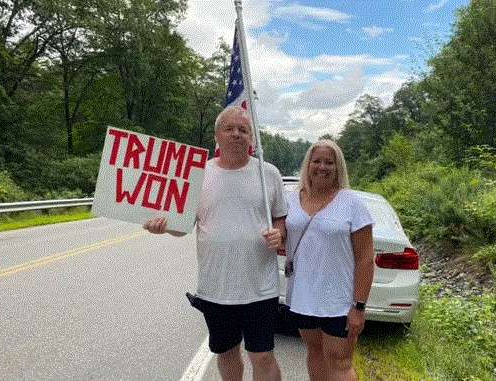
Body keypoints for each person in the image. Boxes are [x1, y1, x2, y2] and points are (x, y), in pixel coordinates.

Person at [143, 105, 287, 381]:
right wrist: (164, 228)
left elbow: (281, 219)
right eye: (229, 129)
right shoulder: (197, 175)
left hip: (261, 287)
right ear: (217, 136)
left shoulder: (268, 174)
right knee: (227, 353)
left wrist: (279, 234)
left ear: (252, 138)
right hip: (215, 288)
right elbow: (183, 227)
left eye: (243, 130)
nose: (236, 134)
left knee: (264, 356)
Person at [284, 140, 374, 381]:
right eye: (317, 161)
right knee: (314, 352)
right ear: (307, 165)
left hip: (339, 301)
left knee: (340, 362)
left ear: (338, 167)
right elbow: (281, 237)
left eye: (329, 162)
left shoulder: (351, 203)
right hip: (304, 297)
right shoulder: (292, 200)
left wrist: (359, 307)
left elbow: (366, 259)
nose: (322, 167)